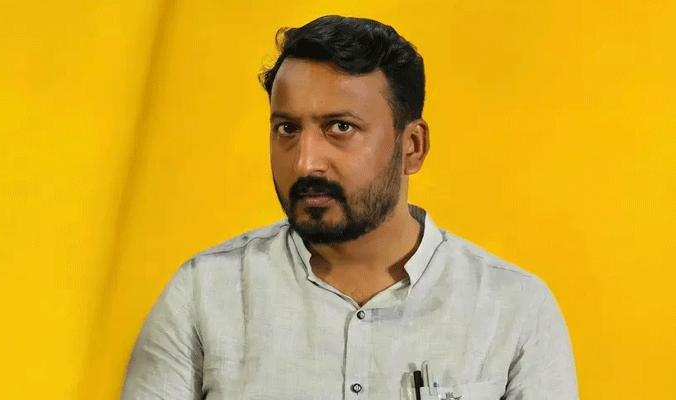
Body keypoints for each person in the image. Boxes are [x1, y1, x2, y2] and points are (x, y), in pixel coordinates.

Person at [121, 15, 578, 400]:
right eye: (287, 129)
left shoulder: (513, 309)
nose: (306, 162)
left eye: (340, 127)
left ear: (412, 146)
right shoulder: (204, 296)